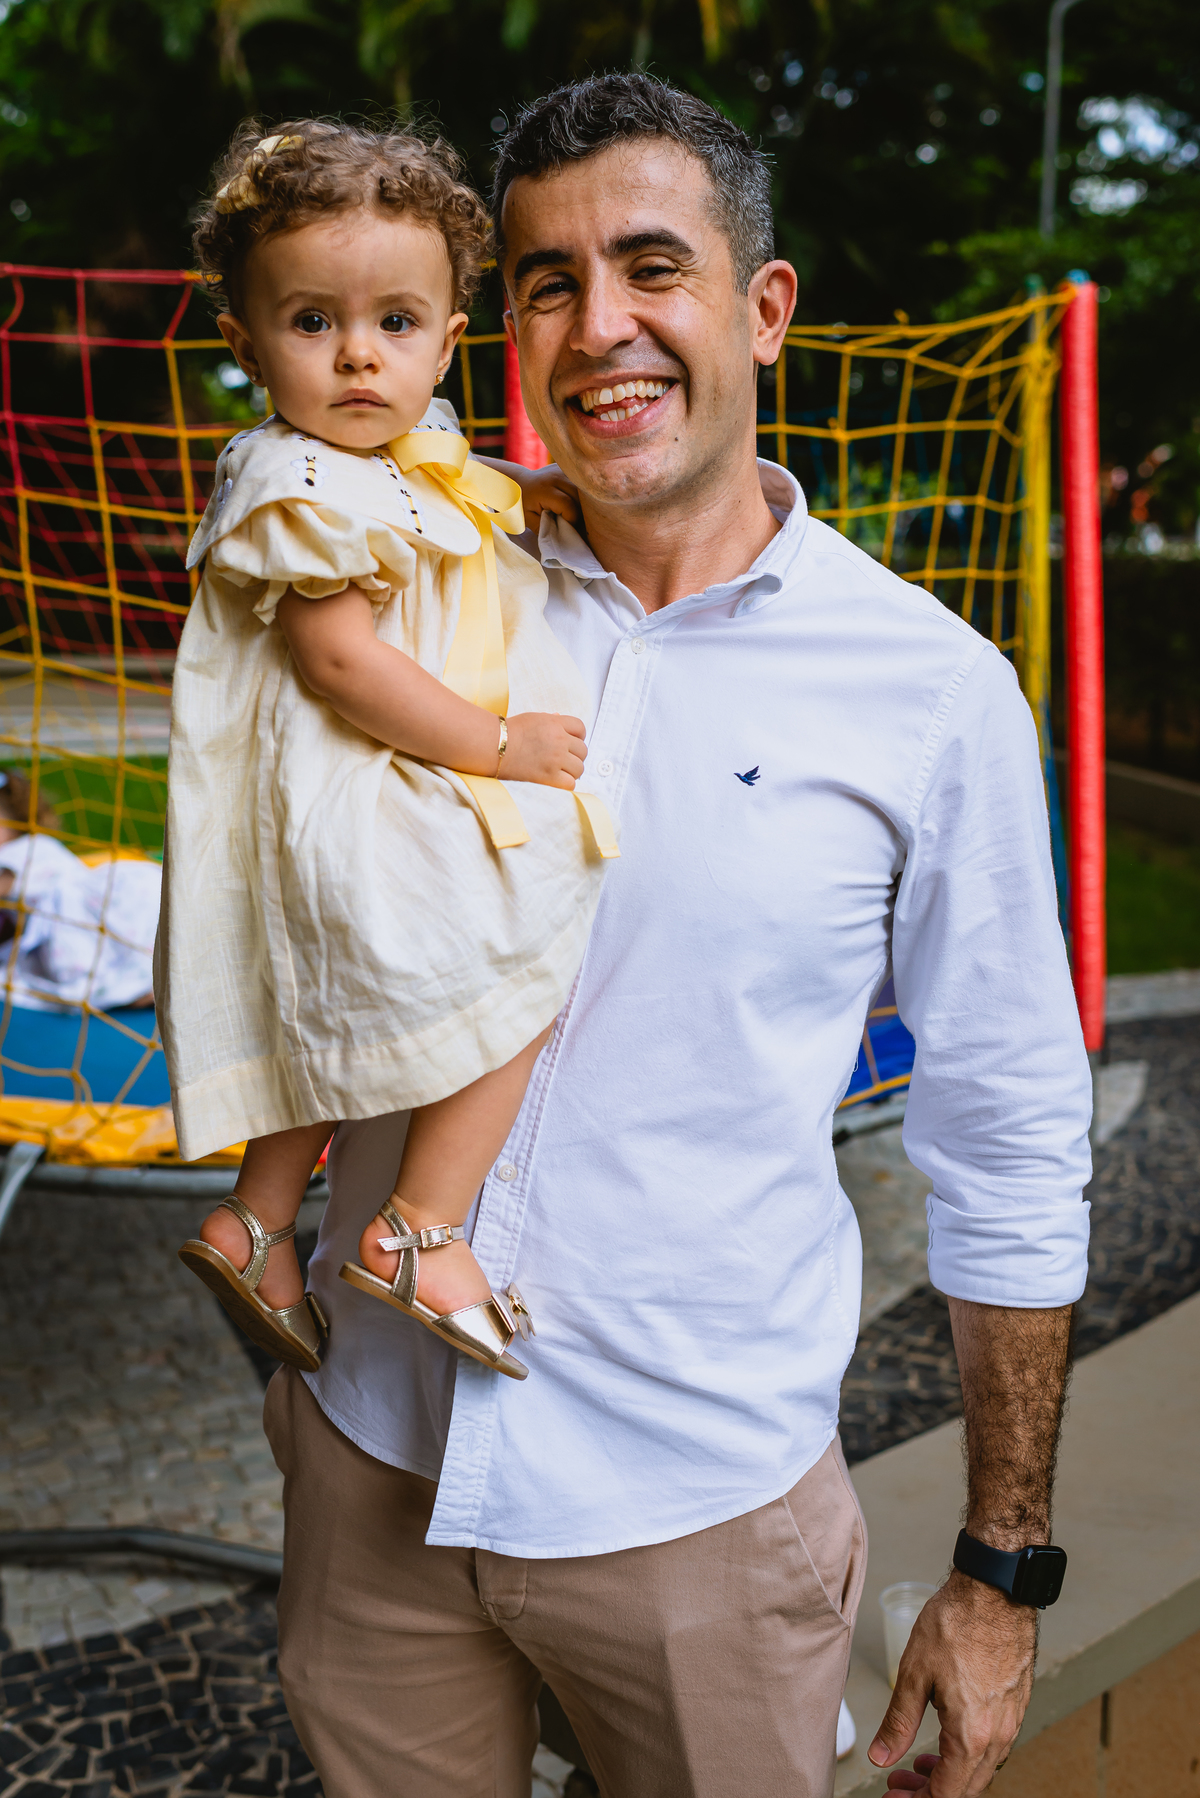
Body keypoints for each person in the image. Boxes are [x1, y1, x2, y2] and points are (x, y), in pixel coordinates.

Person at [260, 76, 1093, 1798]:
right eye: (552, 281)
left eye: (653, 265)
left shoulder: (930, 691)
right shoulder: (417, 578)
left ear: (763, 308)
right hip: (375, 1458)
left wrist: (1000, 1569)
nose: (601, 326)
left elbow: (1010, 1139)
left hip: (697, 1515)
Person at [157, 119, 617, 1380]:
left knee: (325, 1023)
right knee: (539, 933)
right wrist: (500, 746)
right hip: (349, 800)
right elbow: (342, 661)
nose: (360, 353)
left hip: (326, 812)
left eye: (397, 324)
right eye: (312, 323)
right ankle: (419, 1225)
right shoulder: (293, 484)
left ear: (448, 342)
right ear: (244, 343)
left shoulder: (377, 461)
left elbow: (439, 488)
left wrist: (525, 490)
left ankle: (256, 1224)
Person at [0, 770, 160, 1011]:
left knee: (96, 960)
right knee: (123, 951)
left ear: (17, 819)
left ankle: (136, 987)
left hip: (85, 911)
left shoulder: (23, 850)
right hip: (87, 910)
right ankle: (141, 986)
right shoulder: (37, 846)